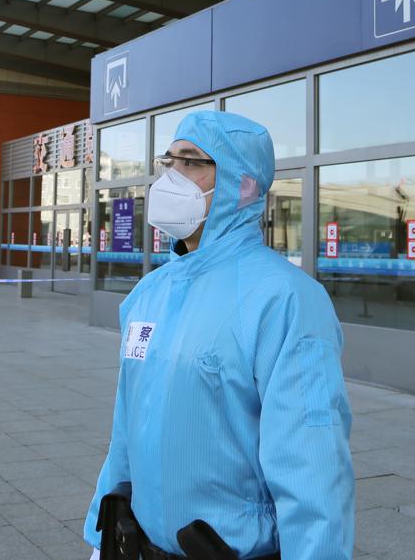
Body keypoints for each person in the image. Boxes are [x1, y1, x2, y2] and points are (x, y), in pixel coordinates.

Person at [83, 112, 354, 559]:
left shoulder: (285, 299)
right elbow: (128, 429)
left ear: (243, 185)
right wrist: (103, 533)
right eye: (168, 161)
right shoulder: (148, 293)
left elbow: (312, 465)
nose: (171, 176)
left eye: (191, 163)